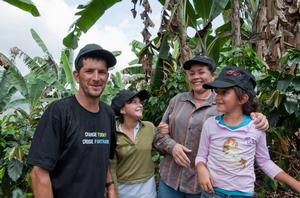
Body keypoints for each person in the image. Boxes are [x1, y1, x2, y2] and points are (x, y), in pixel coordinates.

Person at [154, 55, 269, 198]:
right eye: (191, 73)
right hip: (170, 178)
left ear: (213, 76)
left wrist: (259, 117)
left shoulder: (223, 105)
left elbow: (244, 120)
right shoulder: (177, 100)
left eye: (201, 72)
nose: (196, 77)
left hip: (202, 184)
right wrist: (172, 146)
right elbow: (159, 134)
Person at [27, 44, 117, 198]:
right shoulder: (59, 112)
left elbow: (104, 158)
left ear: (107, 77)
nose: (96, 78)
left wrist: (110, 187)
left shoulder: (108, 114)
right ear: (76, 75)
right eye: (89, 71)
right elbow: (39, 172)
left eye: (102, 72)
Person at [195, 66, 300, 197]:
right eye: (217, 92)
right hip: (211, 193)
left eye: (224, 92)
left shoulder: (256, 127)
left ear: (243, 98)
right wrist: (201, 168)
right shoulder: (210, 124)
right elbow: (201, 156)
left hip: (242, 194)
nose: (217, 97)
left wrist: (294, 183)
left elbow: (264, 161)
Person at [110, 89, 157, 198]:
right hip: (124, 188)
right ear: (122, 109)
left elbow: (161, 145)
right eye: (134, 102)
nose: (140, 105)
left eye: (140, 102)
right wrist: (113, 190)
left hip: (147, 186)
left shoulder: (149, 127)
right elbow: (111, 165)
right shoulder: (113, 132)